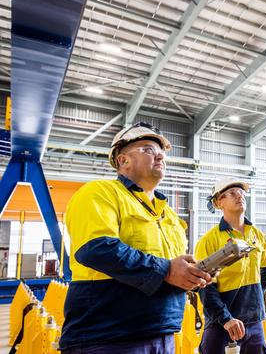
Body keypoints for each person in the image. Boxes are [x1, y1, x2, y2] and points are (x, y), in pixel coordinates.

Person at [60, 122, 212, 353]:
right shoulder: (99, 192)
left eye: (161, 152)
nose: (160, 156)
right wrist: (168, 270)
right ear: (123, 160)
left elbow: (172, 269)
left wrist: (195, 274)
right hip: (107, 337)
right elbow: (96, 248)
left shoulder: (168, 214)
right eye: (148, 149)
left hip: (163, 333)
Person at [195, 178, 266, 354]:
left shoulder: (257, 235)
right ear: (218, 202)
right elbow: (204, 287)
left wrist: (257, 293)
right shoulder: (209, 240)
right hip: (221, 324)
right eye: (231, 193)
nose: (239, 196)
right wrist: (225, 319)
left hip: (254, 322)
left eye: (241, 193)